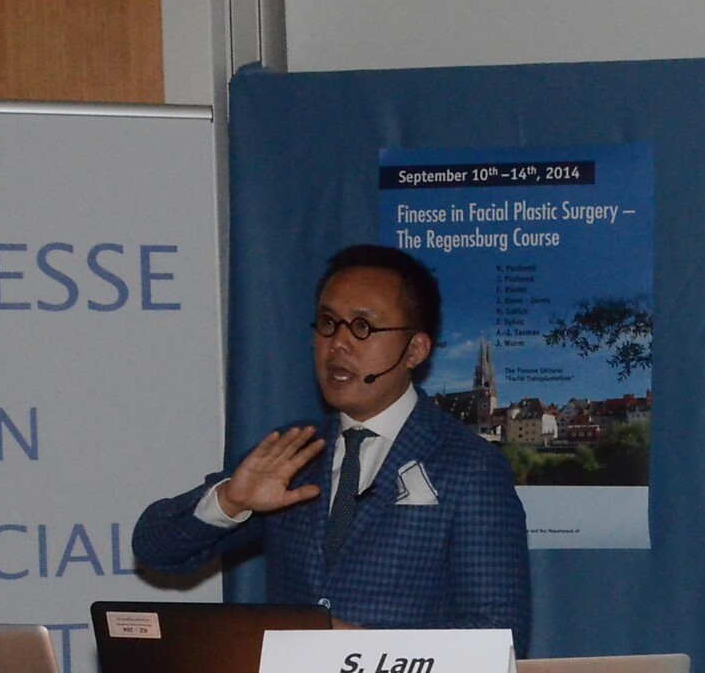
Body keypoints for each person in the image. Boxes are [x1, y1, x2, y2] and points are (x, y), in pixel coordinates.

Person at [134, 244, 531, 650]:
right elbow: (154, 547)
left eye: (362, 327)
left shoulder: (470, 466)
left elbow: (499, 634)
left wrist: (360, 648)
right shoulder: (294, 453)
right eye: (327, 323)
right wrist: (231, 501)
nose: (337, 344)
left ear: (415, 349)